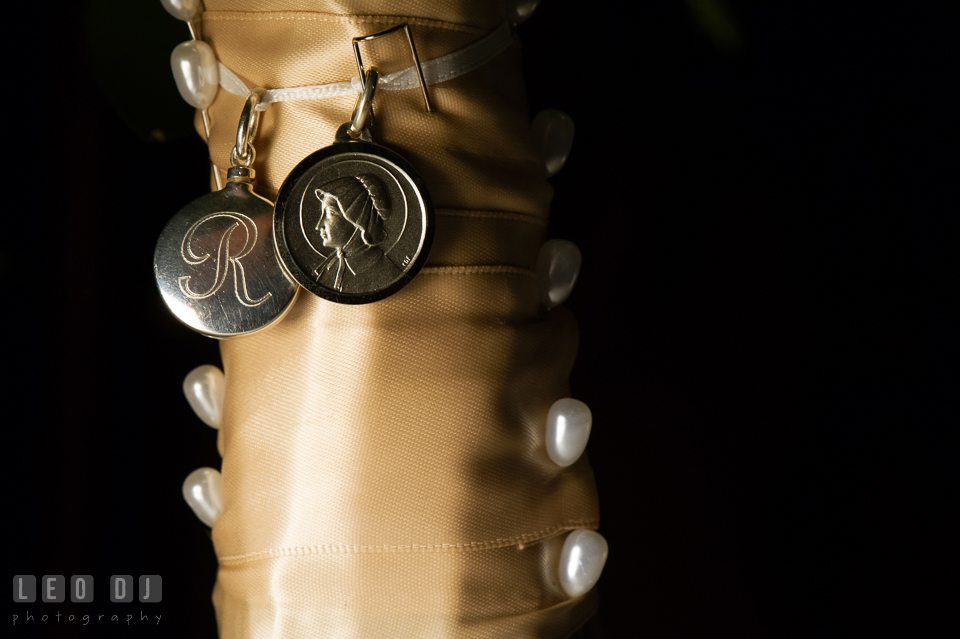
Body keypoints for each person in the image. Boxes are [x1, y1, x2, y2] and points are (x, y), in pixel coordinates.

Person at [311, 174, 401, 293]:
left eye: (329, 214)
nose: (318, 226)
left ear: (356, 219)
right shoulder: (330, 268)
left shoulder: (387, 275)